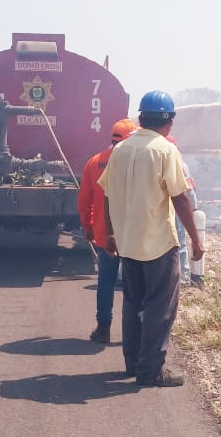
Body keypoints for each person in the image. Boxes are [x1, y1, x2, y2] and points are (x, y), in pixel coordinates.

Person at [99, 90, 204, 387]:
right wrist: (196, 240)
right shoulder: (165, 150)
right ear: (169, 121)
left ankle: (133, 363)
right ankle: (151, 370)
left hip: (128, 242)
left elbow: (107, 195)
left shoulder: (119, 150)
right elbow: (181, 198)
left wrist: (109, 232)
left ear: (141, 118)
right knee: (160, 307)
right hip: (158, 244)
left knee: (133, 304)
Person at [78, 118, 139, 343]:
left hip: (104, 235)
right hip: (134, 235)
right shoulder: (138, 161)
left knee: (106, 281)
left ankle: (103, 328)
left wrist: (87, 225)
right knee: (135, 286)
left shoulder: (95, 162)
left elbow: (84, 199)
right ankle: (133, 334)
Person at [166, 135, 202, 287]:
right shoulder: (181, 164)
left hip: (160, 209)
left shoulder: (153, 158)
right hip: (176, 209)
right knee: (180, 243)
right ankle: (183, 276)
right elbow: (189, 190)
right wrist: (193, 209)